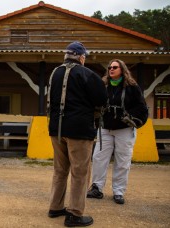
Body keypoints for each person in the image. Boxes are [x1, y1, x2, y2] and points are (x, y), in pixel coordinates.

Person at [47, 41, 107, 227]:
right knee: (80, 172)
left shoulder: (54, 73)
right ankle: (74, 214)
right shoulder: (86, 73)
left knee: (60, 170)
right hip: (79, 130)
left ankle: (55, 207)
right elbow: (102, 99)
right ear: (81, 57)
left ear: (66, 56)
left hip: (56, 129)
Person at [87, 59, 148, 204]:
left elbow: (141, 107)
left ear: (122, 69)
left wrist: (130, 117)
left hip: (125, 129)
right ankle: (97, 187)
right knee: (98, 158)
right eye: (109, 67)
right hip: (105, 128)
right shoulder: (103, 86)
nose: (111, 69)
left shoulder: (132, 87)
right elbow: (94, 103)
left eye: (115, 67)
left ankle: (119, 191)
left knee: (123, 160)